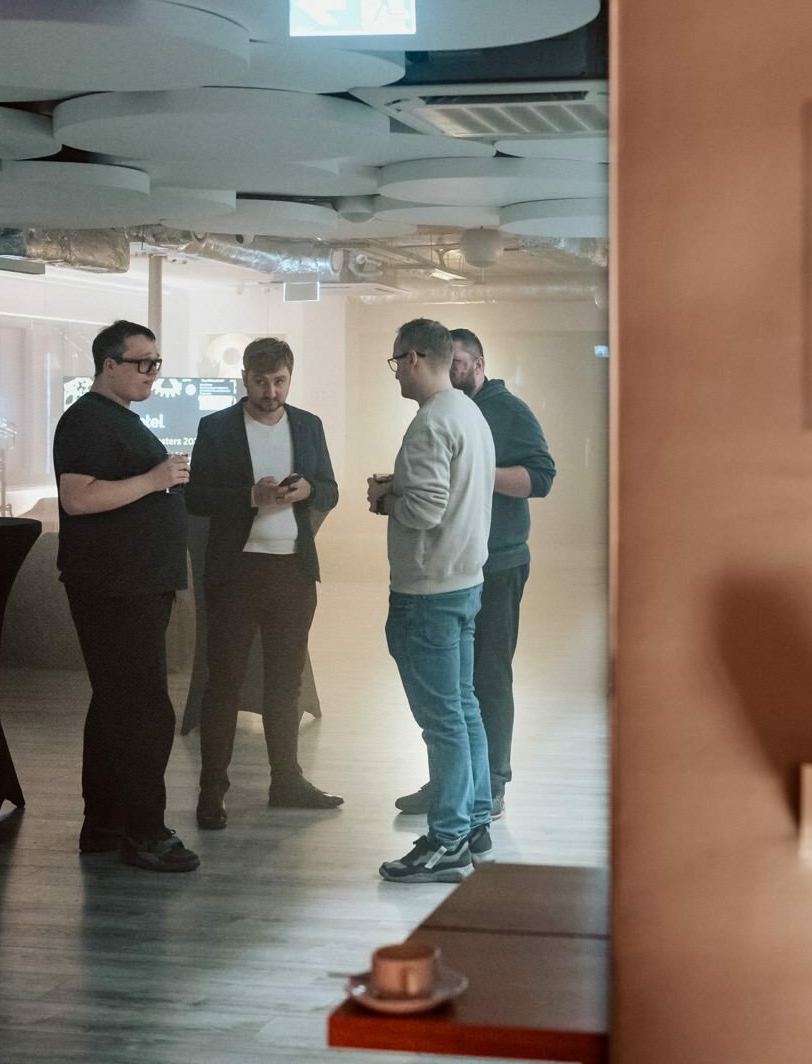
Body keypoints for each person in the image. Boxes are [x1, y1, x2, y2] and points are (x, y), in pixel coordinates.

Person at [53, 320, 199, 872]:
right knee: (144, 712)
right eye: (141, 362)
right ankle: (145, 833)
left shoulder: (113, 419)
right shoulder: (88, 419)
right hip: (116, 587)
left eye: (156, 363)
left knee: (117, 707)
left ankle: (106, 823)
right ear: (108, 365)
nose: (151, 373)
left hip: (132, 583)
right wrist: (155, 478)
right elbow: (77, 499)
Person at [395, 329, 555, 818]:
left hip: (499, 560)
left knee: (485, 679)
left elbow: (542, 478)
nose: (453, 372)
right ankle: (455, 786)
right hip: (464, 563)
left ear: (479, 363)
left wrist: (474, 475)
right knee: (456, 689)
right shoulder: (453, 409)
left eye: (460, 364)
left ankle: (492, 785)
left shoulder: (505, 410)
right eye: (450, 364)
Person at [185, 337, 341, 828]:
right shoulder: (217, 427)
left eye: (280, 382)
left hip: (293, 571)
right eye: (260, 381)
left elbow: (331, 490)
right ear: (245, 377)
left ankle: (287, 780)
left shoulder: (309, 425)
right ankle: (212, 790)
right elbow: (196, 497)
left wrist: (311, 488)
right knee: (224, 681)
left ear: (290, 378)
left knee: (286, 682)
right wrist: (249, 497)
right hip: (236, 572)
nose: (270, 392)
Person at [368, 318, 496, 882]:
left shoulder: (429, 424)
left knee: (443, 720)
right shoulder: (470, 412)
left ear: (416, 357)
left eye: (397, 361)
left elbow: (423, 511)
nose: (396, 371)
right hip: (465, 582)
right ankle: (474, 820)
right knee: (463, 708)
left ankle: (447, 840)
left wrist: (385, 496)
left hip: (428, 591)